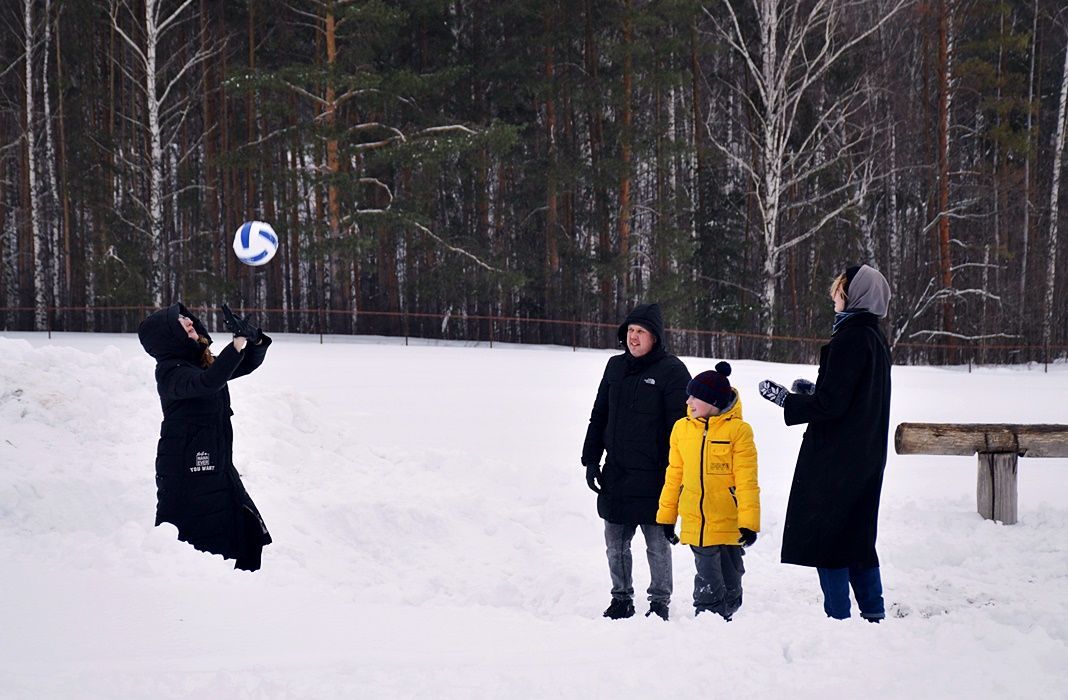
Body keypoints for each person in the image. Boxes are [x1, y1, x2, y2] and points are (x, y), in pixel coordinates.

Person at [758, 264, 892, 621]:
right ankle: (874, 617)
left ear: (853, 294)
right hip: (863, 455)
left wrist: (789, 400)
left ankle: (839, 622)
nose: (833, 294)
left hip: (838, 459)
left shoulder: (850, 337)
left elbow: (833, 406)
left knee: (829, 541)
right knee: (857, 540)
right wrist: (817, 391)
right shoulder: (874, 338)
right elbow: (853, 399)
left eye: (839, 288)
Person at [137, 302, 273, 571]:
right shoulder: (170, 372)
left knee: (246, 529)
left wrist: (253, 338)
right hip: (185, 469)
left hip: (216, 463)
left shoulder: (199, 363)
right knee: (195, 540)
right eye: (179, 322)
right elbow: (209, 381)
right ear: (167, 337)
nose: (188, 321)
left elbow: (244, 364)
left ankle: (247, 587)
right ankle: (195, 589)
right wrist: (235, 345)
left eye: (187, 318)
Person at [581, 303, 692, 620]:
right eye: (630, 330)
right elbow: (599, 415)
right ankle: (621, 598)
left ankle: (659, 602)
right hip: (617, 474)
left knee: (657, 546)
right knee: (615, 545)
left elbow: (682, 428)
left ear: (655, 337)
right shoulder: (614, 368)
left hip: (656, 477)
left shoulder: (672, 371)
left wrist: (679, 475)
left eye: (640, 331)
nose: (633, 337)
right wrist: (591, 459)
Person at [656, 362, 760, 620]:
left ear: (713, 401)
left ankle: (729, 606)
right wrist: (667, 518)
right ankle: (707, 617)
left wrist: (749, 523)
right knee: (708, 580)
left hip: (728, 521)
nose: (689, 400)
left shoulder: (739, 431)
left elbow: (747, 480)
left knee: (732, 579)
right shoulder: (682, 429)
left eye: (695, 397)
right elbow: (674, 476)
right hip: (696, 521)